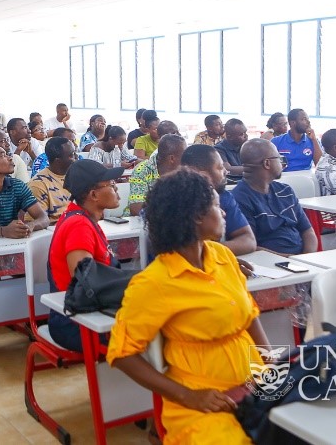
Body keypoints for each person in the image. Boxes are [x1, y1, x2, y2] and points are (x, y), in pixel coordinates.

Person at [108, 169, 269, 444]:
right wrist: (188, 396)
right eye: (217, 206)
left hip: (255, 381)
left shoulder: (222, 255)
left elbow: (249, 314)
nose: (225, 213)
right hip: (204, 397)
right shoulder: (154, 283)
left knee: (302, 426)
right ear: (197, 216)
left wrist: (269, 359)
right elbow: (122, 355)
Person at [46, 159, 124, 352]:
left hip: (88, 313)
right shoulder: (79, 226)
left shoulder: (85, 219)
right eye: (111, 185)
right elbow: (85, 281)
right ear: (94, 195)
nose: (116, 188)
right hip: (75, 323)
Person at [233, 139, 317, 255]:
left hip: (302, 260)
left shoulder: (285, 190)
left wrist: (306, 258)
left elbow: (307, 231)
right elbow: (250, 246)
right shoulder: (239, 199)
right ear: (267, 163)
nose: (282, 163)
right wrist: (291, 260)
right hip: (270, 265)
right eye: (279, 158)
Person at [180, 145, 257, 256]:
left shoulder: (224, 196)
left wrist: (215, 257)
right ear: (203, 176)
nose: (226, 171)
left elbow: (248, 241)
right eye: (220, 167)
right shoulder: (175, 203)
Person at [128, 134, 186, 216]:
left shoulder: (184, 172)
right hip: (141, 223)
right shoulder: (142, 170)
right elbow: (135, 208)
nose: (186, 159)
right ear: (172, 158)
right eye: (183, 155)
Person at [27, 137, 76, 223]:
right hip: (57, 231)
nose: (76, 157)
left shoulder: (78, 176)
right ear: (58, 161)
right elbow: (37, 222)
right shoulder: (38, 184)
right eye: (71, 155)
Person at [215, 118, 248, 184]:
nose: (245, 136)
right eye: (241, 134)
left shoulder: (245, 146)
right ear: (230, 137)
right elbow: (227, 169)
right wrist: (252, 169)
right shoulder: (219, 149)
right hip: (230, 185)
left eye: (245, 132)